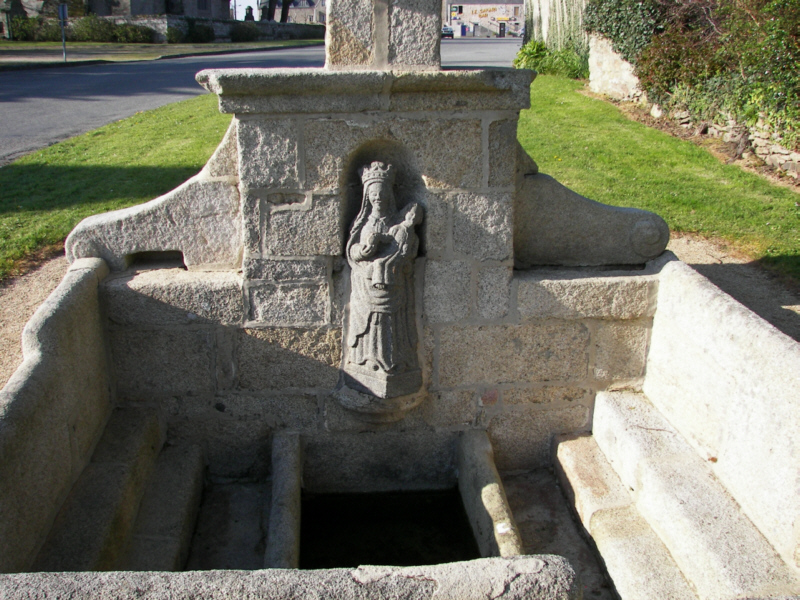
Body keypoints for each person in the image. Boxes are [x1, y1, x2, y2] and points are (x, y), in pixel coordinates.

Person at [345, 161, 422, 383]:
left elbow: (410, 247)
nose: (377, 198)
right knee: (370, 327)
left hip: (393, 286)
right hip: (366, 286)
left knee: (392, 326)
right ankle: (364, 363)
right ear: (367, 197)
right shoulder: (362, 222)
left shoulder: (398, 220)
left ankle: (396, 363)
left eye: (382, 193)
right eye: (373, 194)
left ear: (389, 194)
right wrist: (363, 250)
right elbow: (351, 250)